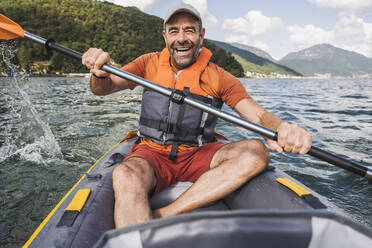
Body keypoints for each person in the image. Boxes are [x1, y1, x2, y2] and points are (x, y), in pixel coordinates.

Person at [82, 3, 312, 228]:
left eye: (189, 30)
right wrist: (99, 73)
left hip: (197, 154)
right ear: (165, 37)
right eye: (174, 31)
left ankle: (165, 215)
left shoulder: (220, 77)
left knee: (256, 151)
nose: (181, 38)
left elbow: (258, 115)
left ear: (201, 35)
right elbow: (104, 88)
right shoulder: (147, 63)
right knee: (125, 173)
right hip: (151, 152)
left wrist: (281, 127)